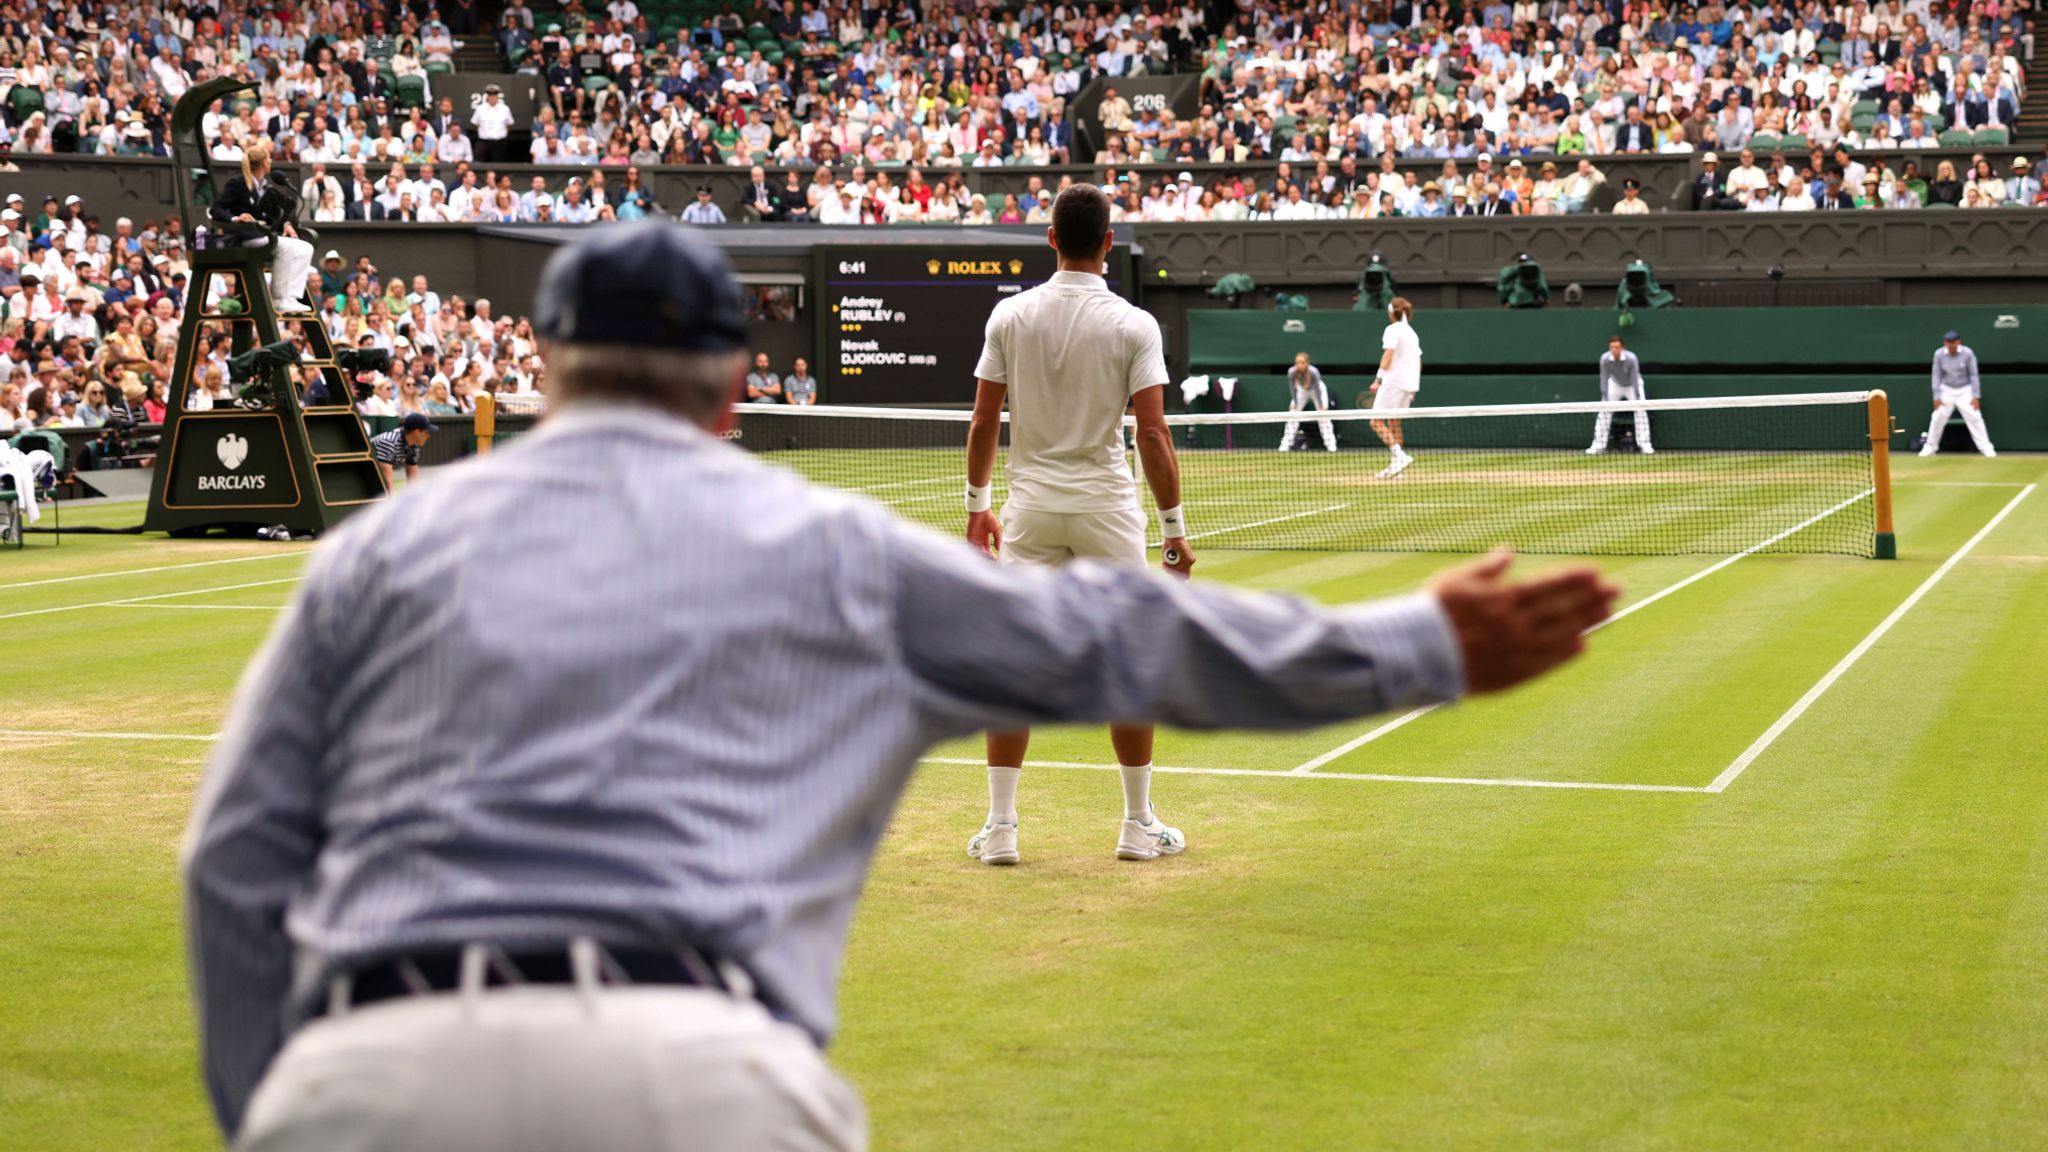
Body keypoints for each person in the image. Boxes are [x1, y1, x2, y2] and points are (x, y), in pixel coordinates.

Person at [183, 218, 1620, 1149]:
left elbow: (235, 862)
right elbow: (1127, 639)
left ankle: (1009, 821)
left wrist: (285, 1110)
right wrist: (1415, 647)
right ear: (737, 385)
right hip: (699, 1078)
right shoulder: (830, 549)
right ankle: (1107, 815)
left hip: (359, 1081)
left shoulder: (374, 557)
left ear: (548, 368)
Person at [962, 182, 1194, 866]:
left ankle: (1001, 830)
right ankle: (1136, 826)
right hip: (1107, 511)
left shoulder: (1011, 317)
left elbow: (983, 421)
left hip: (1029, 511)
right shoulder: (1134, 324)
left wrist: (978, 510)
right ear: (1109, 244)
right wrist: (1175, 530)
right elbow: (1152, 433)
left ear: (1052, 239)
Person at [208, 140, 316, 312]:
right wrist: (235, 218)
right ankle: (279, 298)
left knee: (305, 248)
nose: (271, 162)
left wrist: (286, 224)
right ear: (264, 162)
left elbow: (271, 213)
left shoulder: (265, 186)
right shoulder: (237, 183)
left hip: (265, 235)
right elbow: (216, 208)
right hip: (245, 238)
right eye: (269, 159)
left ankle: (291, 296)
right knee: (286, 247)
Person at [1919, 330, 1995, 457]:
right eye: (1948, 342)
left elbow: (1973, 375)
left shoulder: (1968, 353)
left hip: (1965, 390)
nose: (1951, 345)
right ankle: (1930, 447)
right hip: (1946, 390)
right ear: (1945, 343)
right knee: (1937, 417)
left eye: (1953, 342)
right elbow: (1936, 376)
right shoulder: (1938, 354)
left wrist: (1975, 395)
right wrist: (1937, 396)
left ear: (1958, 342)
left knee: (1975, 416)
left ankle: (1986, 447)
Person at [1369, 296, 1422, 479]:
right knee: (1394, 422)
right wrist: (1413, 387)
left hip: (1393, 382)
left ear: (1392, 312)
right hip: (1408, 384)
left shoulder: (1392, 330)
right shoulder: (1412, 333)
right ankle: (1397, 467)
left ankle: (1399, 457)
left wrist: (1378, 379)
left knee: (1375, 421)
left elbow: (1388, 355)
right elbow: (1418, 360)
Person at [1586, 335, 1654, 454]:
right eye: (1612, 347)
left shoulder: (1631, 358)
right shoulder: (1605, 359)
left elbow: (1634, 378)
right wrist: (1605, 397)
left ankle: (1645, 445)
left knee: (1641, 412)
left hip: (1633, 385)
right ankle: (1598, 445)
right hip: (1615, 385)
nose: (1614, 350)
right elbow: (1604, 378)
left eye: (1617, 347)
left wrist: (1637, 396)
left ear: (1622, 348)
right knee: (1603, 412)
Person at [1279, 350, 1336, 452]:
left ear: (1307, 363)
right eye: (1297, 362)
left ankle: (1331, 446)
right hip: (1301, 391)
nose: (1299, 365)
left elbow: (1318, 389)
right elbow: (1292, 388)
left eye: (1302, 362)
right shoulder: (1291, 372)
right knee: (1292, 414)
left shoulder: (1314, 372)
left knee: (1323, 416)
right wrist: (1295, 404)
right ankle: (1285, 445)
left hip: (1317, 390)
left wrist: (1321, 406)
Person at [370, 410, 437, 487]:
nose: (428, 436)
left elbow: (413, 479)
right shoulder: (388, 441)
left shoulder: (414, 446)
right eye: (426, 432)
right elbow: (386, 481)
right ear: (416, 432)